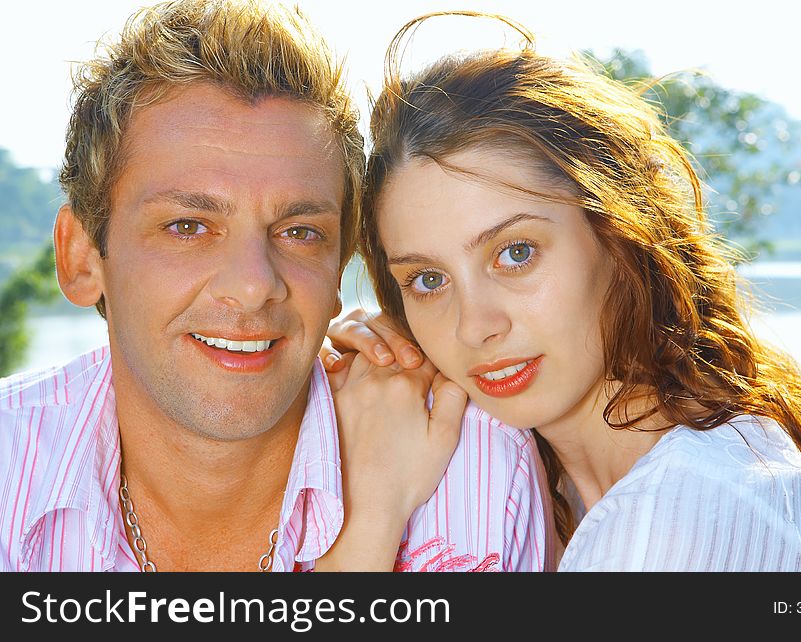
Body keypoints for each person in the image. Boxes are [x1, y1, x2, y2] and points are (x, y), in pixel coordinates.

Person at [0, 0, 551, 572]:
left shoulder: (473, 479)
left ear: (340, 271)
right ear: (81, 257)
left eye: (299, 232)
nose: (253, 285)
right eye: (188, 227)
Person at [323, 12, 801, 571]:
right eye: (428, 280)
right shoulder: (549, 488)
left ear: (618, 235)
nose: (474, 325)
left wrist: (373, 515)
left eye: (516, 253)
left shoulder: (668, 523)